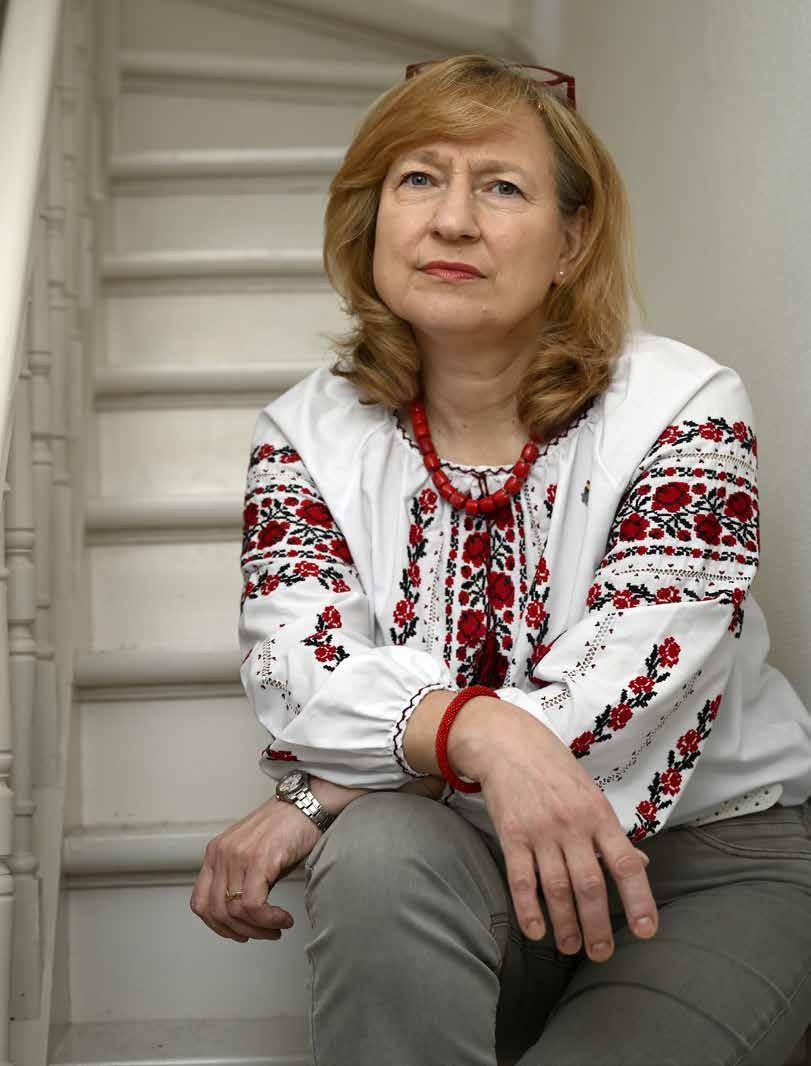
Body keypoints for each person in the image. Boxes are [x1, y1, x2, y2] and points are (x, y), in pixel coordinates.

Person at [191, 55, 811, 1066]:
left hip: (700, 870)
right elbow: (296, 671)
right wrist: (470, 732)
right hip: (464, 872)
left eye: (502, 187)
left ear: (571, 241)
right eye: (418, 178)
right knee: (378, 852)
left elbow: (623, 696)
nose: (451, 221)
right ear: (372, 220)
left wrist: (332, 784)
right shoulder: (303, 433)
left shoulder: (684, 407)